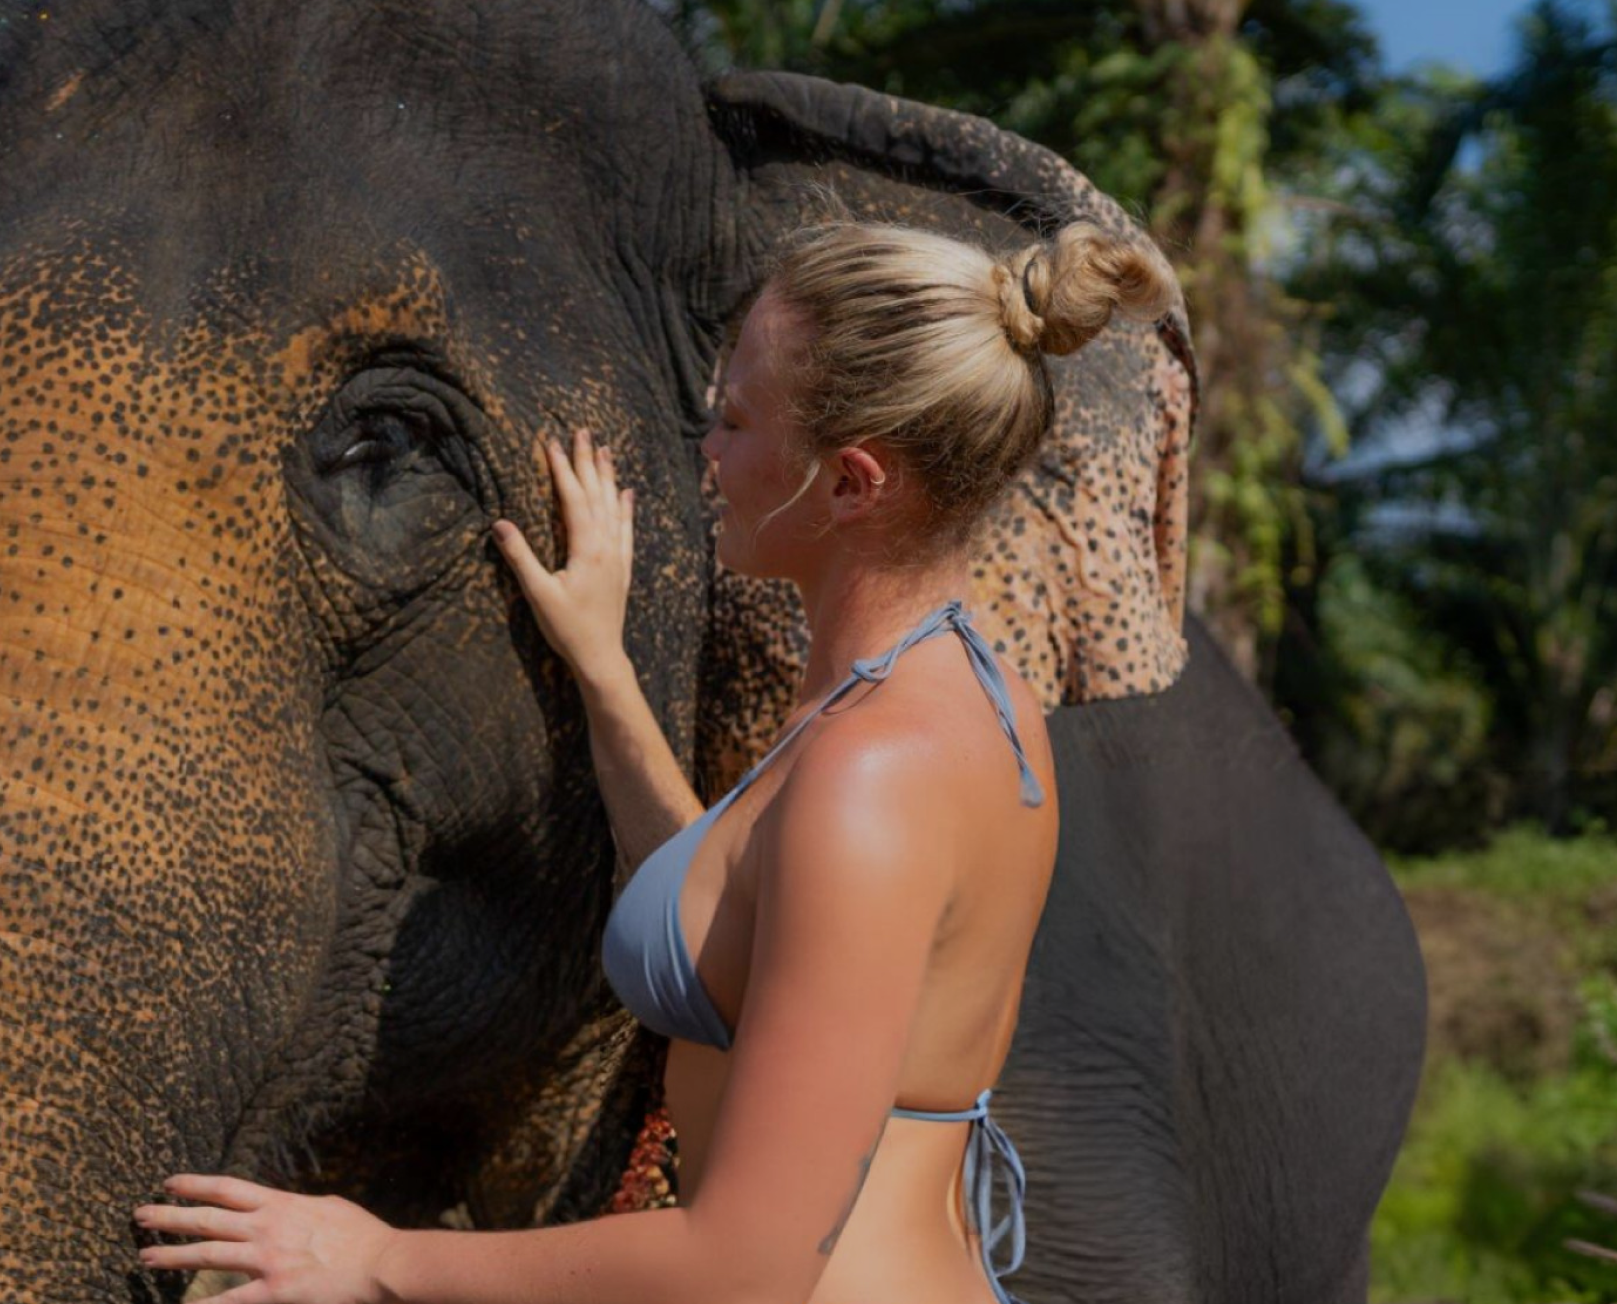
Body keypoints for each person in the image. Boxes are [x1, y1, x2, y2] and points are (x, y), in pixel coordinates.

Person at [134, 218, 1178, 1304]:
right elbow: (736, 904)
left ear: (850, 486)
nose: (706, 453)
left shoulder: (874, 774)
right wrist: (601, 664)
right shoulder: (947, 691)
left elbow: (747, 1263)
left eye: (733, 419)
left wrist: (378, 1257)